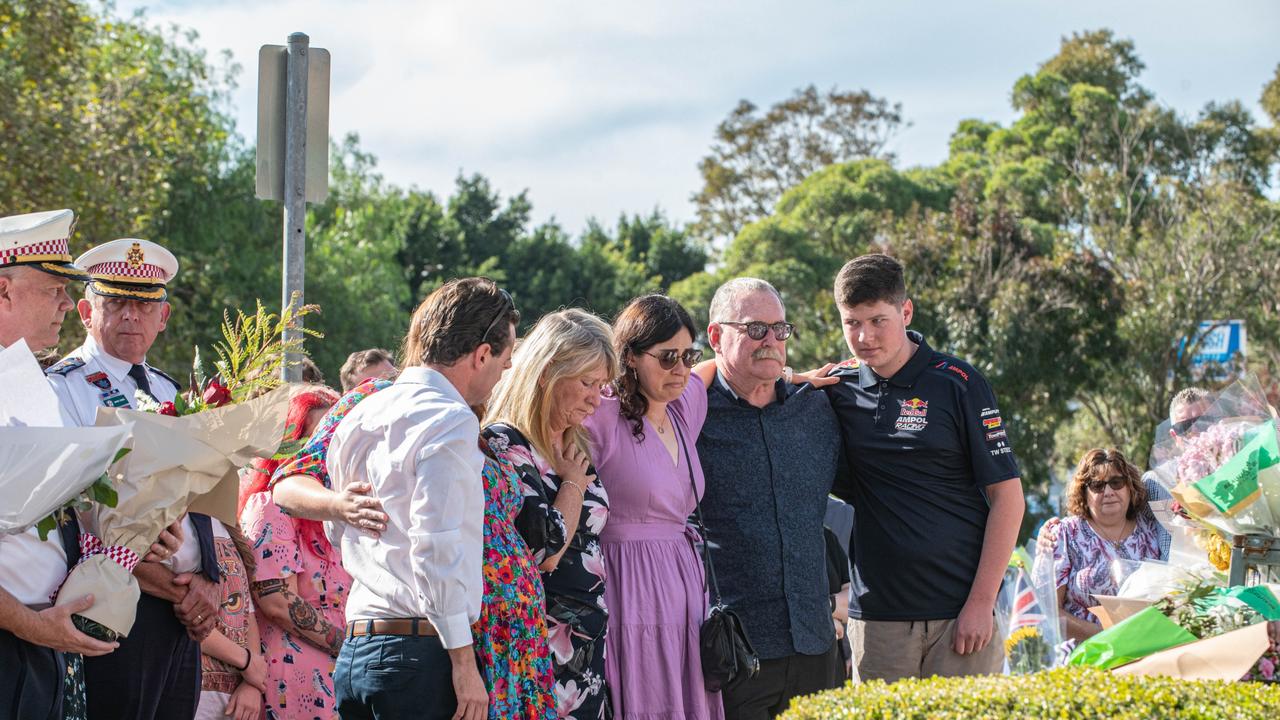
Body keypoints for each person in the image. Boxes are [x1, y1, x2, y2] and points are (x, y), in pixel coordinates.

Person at [824, 254, 1025, 683]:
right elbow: (760, 384)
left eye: (878, 320)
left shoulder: (959, 383)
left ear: (906, 311)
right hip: (877, 622)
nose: (864, 336)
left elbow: (1008, 498)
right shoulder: (833, 388)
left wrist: (980, 602)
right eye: (851, 322)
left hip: (961, 618)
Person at [46, 237, 224, 720]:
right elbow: (68, 512)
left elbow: (202, 496)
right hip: (111, 602)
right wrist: (171, 585)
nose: (131, 316)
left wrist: (209, 578)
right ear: (86, 311)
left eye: (144, 306)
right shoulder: (62, 389)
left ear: (162, 318)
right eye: (116, 302)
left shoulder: (172, 389)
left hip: (183, 615)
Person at [326, 278, 518, 720]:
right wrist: (464, 663)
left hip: (358, 648)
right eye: (504, 361)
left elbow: (339, 529)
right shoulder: (450, 420)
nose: (502, 375)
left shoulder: (362, 412)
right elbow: (436, 546)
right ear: (482, 354)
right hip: (419, 652)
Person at [692, 278, 844, 719]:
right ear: (717, 336)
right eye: (755, 329)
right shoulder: (688, 415)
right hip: (735, 652)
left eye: (780, 330)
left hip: (816, 644)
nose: (771, 341)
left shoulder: (818, 407)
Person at [0, 208, 119, 720]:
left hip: (41, 643)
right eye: (53, 289)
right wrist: (32, 625)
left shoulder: (27, 383)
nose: (69, 305)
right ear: (3, 292)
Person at [583, 294, 723, 720]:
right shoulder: (601, 415)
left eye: (686, 355)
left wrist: (793, 374)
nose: (679, 368)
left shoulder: (683, 408)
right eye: (666, 358)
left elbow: (715, 369)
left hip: (685, 580)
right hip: (628, 581)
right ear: (630, 357)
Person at [483, 308, 618, 720]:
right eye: (586, 383)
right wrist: (574, 484)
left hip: (587, 648)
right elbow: (547, 550)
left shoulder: (575, 443)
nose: (596, 398)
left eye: (601, 385)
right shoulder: (504, 443)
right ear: (546, 373)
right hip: (535, 647)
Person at [240, 386, 350, 720]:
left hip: (344, 672)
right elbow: (276, 602)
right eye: (313, 440)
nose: (323, 451)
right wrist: (349, 648)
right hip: (295, 677)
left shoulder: (341, 510)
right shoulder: (270, 507)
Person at [1037, 387, 1212, 561]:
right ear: (1174, 435)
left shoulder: (1238, 473)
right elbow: (1114, 515)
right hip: (1180, 584)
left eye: (1203, 421)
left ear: (1217, 421)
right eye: (1185, 426)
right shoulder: (1156, 482)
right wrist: (1052, 532)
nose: (1195, 431)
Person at [1040, 449, 1162, 641]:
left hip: (1151, 642)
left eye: (1116, 482)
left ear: (1130, 486)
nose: (1108, 492)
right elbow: (1047, 610)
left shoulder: (1152, 528)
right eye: (1097, 485)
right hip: (1088, 653)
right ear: (1084, 493)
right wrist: (1108, 637)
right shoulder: (1063, 534)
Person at [195, 523, 266, 720]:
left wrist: (252, 684)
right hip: (192, 695)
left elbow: (247, 614)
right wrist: (247, 663)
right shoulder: (175, 523)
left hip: (234, 700)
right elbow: (184, 616)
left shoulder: (225, 527)